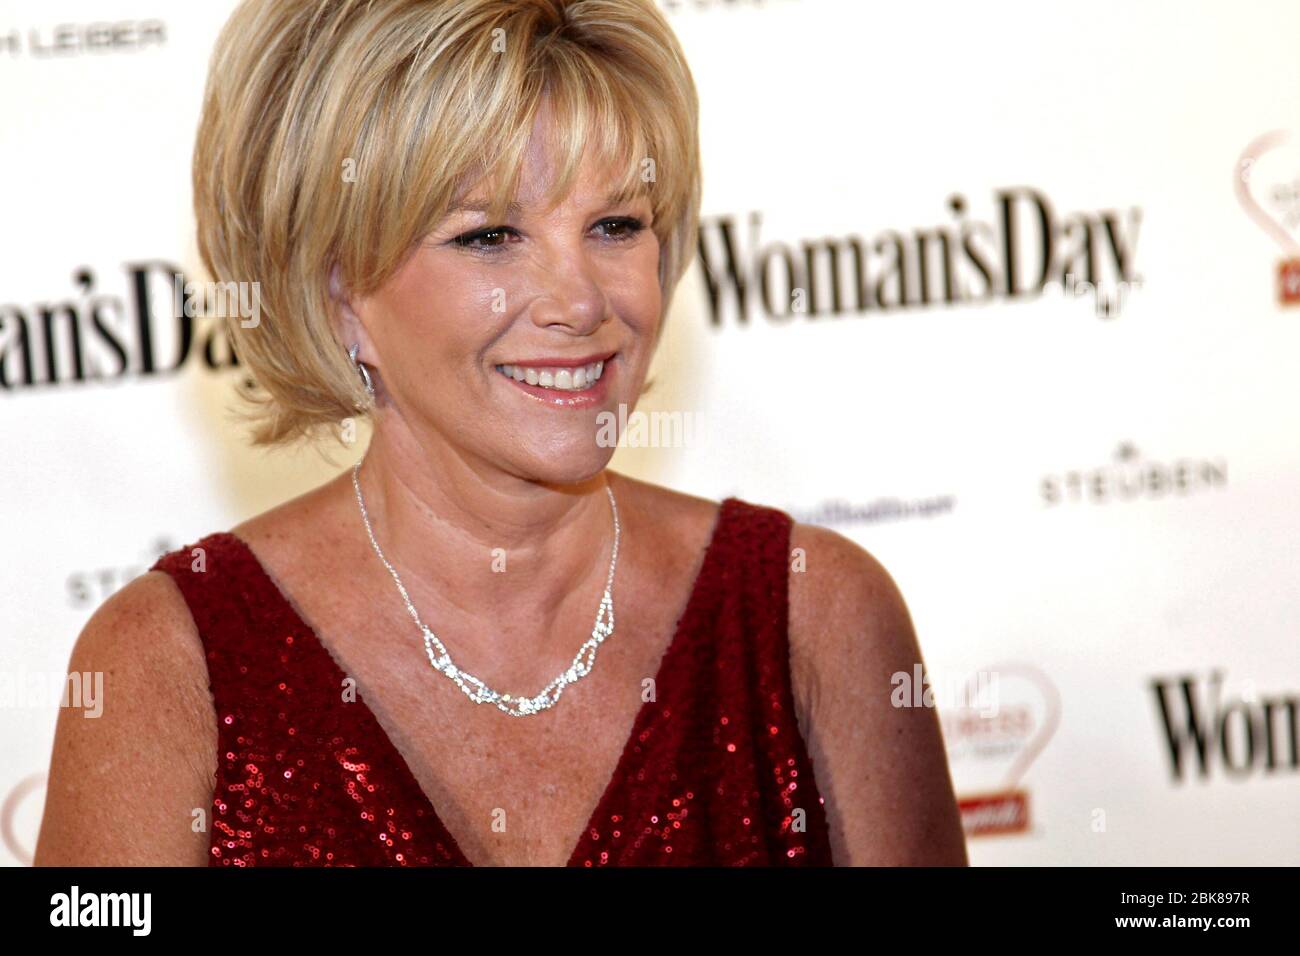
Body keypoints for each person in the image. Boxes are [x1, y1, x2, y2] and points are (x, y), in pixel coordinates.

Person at [34, 0, 966, 867]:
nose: (580, 302)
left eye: (616, 223)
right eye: (489, 236)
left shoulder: (816, 618)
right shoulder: (168, 667)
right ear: (336, 292)